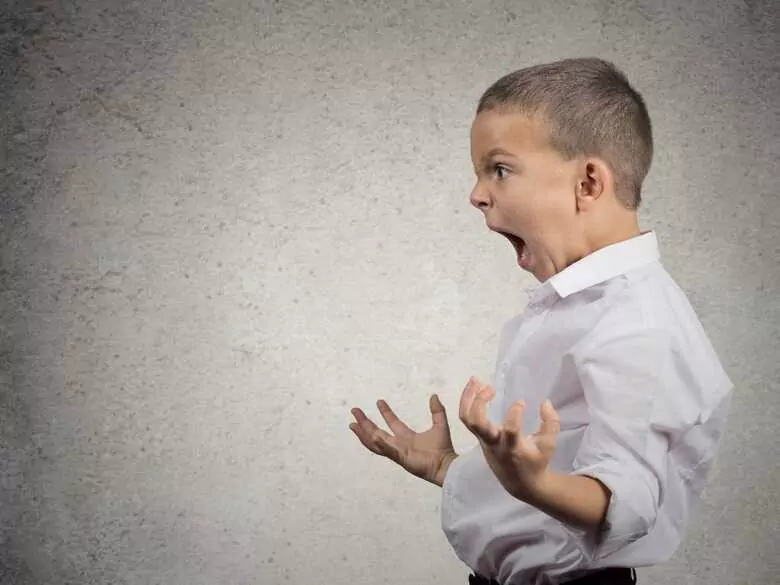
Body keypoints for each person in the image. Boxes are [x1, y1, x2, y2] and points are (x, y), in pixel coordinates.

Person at [348, 57, 733, 585]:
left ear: (588, 183)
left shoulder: (637, 325)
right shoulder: (573, 306)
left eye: (499, 169)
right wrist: (448, 468)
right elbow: (537, 484)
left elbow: (631, 500)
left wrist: (534, 484)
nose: (476, 194)